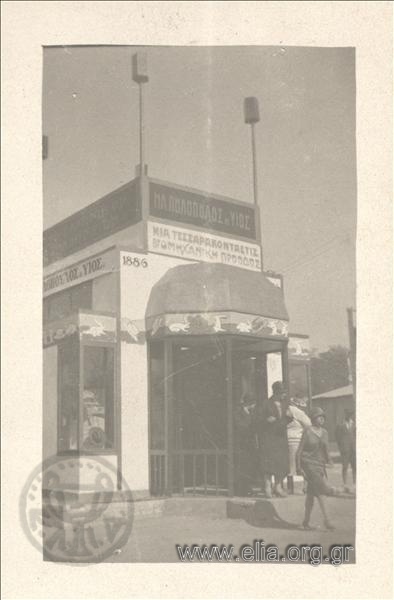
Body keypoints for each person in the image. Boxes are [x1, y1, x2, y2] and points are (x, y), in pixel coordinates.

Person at [296, 406, 336, 530]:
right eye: (319, 417)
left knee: (311, 494)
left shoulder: (325, 433)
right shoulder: (307, 431)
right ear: (313, 418)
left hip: (319, 465)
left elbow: (326, 450)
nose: (322, 419)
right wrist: (298, 468)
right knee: (321, 492)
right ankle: (327, 520)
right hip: (308, 464)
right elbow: (299, 451)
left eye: (323, 417)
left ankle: (305, 522)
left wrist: (330, 461)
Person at [259, 381, 291, 498]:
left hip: (281, 437)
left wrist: (289, 417)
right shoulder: (266, 404)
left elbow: (287, 419)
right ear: (276, 392)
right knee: (268, 463)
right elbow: (258, 419)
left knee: (281, 462)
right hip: (269, 437)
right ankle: (267, 487)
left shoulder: (285, 404)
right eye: (282, 393)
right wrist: (266, 420)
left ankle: (278, 487)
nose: (284, 395)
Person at [234, 393, 258, 496]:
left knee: (249, 466)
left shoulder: (252, 413)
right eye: (254, 404)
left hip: (250, 444)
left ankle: (248, 487)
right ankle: (242, 489)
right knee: (242, 466)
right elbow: (240, 426)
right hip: (242, 444)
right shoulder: (238, 412)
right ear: (250, 403)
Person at [286, 395, 311, 494]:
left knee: (290, 465)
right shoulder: (298, 412)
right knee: (298, 464)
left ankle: (290, 487)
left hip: (287, 439)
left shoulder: (287, 409)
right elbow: (309, 424)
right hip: (296, 439)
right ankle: (300, 488)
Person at [335, 408, 356, 490]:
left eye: (350, 414)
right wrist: (341, 447)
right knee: (345, 466)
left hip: (353, 449)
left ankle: (355, 483)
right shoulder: (340, 424)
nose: (349, 416)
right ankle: (345, 484)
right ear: (345, 414)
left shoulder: (354, 424)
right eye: (347, 414)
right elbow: (337, 437)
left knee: (354, 466)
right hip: (345, 449)